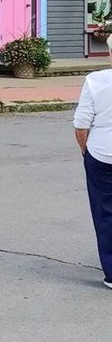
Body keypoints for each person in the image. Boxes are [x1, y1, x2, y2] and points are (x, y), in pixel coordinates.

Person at [74, 67, 112, 290]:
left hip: (102, 153)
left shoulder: (95, 80)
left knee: (105, 213)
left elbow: (81, 125)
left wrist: (85, 151)